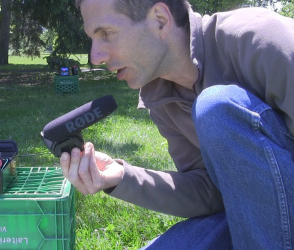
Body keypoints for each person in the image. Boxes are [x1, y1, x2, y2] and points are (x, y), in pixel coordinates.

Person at [60, 0, 294, 248]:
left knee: (216, 106)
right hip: (249, 214)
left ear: (160, 19)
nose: (95, 56)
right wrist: (121, 178)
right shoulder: (160, 96)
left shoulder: (261, 39)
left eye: (106, 33)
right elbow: (210, 192)